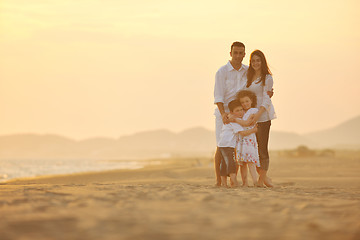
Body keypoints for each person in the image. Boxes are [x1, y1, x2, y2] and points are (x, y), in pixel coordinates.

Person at [239, 50, 276, 187]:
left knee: (262, 149)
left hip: (262, 117)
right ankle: (265, 179)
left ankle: (261, 180)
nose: (255, 63)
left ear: (263, 61)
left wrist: (258, 115)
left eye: (258, 60)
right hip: (249, 118)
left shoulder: (267, 78)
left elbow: (266, 99)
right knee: (251, 148)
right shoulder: (248, 77)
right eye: (253, 60)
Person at [213, 41, 248, 187]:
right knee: (221, 147)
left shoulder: (248, 71)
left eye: (241, 53)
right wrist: (223, 115)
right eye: (235, 53)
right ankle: (219, 180)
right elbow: (218, 96)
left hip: (241, 114)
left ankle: (233, 179)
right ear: (230, 53)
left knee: (237, 147)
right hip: (225, 114)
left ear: (244, 54)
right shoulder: (222, 72)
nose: (238, 56)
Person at [218, 100, 258, 188]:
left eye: (241, 110)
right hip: (228, 145)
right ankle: (234, 182)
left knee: (224, 163)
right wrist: (253, 130)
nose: (240, 112)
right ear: (232, 112)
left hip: (222, 144)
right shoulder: (233, 121)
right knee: (231, 163)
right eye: (237, 111)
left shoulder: (229, 118)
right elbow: (243, 132)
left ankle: (224, 184)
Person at [235, 90, 260, 187]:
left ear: (251, 101)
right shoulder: (241, 112)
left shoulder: (254, 111)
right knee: (242, 162)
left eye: (247, 101)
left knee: (250, 161)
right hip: (241, 140)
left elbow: (248, 122)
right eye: (242, 102)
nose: (245, 104)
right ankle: (245, 182)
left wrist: (236, 120)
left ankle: (255, 181)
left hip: (249, 139)